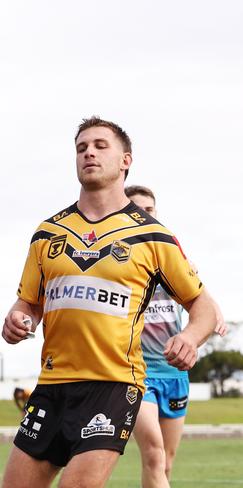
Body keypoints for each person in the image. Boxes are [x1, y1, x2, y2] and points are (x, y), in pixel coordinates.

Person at [1, 116, 225, 488]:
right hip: (52, 386)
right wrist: (17, 318)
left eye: (100, 145)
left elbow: (202, 305)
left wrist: (190, 337)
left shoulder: (153, 236)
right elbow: (28, 304)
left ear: (125, 161)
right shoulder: (47, 232)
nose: (89, 152)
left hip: (113, 386)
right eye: (81, 147)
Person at [126, 185, 214, 487]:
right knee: (153, 454)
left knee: (166, 463)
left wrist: (217, 316)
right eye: (136, 208)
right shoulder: (120, 262)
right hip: (138, 373)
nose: (142, 214)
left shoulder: (172, 258)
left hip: (175, 373)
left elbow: (200, 300)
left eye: (149, 210)